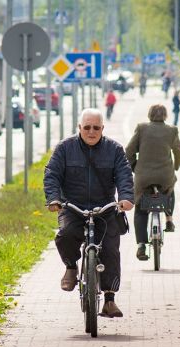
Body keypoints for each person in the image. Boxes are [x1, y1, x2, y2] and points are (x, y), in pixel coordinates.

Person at [44, 108, 134, 317]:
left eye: (96, 128)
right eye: (87, 127)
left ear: (102, 128)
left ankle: (109, 299)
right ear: (79, 128)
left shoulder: (114, 149)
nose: (91, 132)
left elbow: (124, 175)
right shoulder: (65, 148)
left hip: (104, 207)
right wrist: (54, 199)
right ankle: (71, 267)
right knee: (65, 235)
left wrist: (126, 198)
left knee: (111, 249)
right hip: (72, 206)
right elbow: (52, 174)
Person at [125, 104, 180, 261]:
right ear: (165, 115)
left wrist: (134, 166)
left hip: (143, 176)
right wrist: (176, 167)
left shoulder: (142, 128)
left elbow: (129, 150)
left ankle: (141, 246)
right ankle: (169, 219)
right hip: (165, 175)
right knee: (170, 188)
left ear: (149, 114)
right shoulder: (172, 130)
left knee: (140, 209)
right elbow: (179, 151)